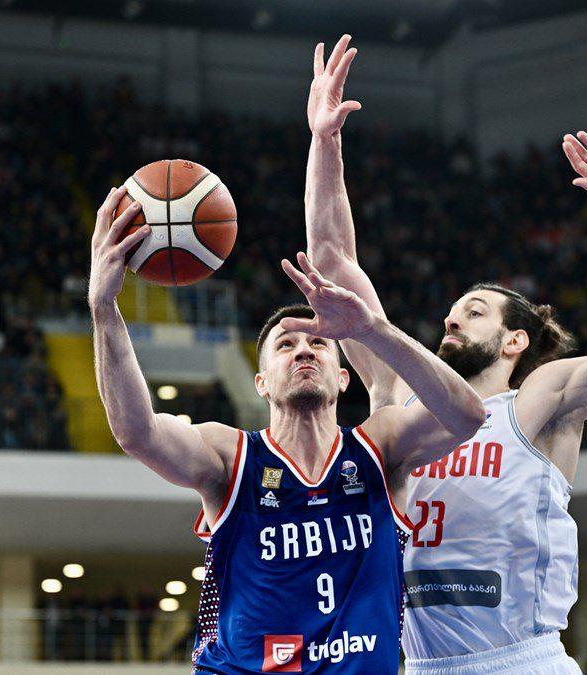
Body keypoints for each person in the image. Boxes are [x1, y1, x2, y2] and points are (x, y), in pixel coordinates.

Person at [304, 35, 587, 674]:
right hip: (421, 666)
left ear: (514, 339)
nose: (451, 318)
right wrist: (324, 143)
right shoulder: (397, 394)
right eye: (452, 311)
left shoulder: (543, 400)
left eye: (474, 312)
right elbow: (333, 261)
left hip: (521, 660)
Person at [88, 187, 485, 673]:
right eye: (285, 345)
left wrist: (372, 330)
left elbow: (467, 415)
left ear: (343, 377)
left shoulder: (379, 448)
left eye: (318, 343)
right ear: (261, 383)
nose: (303, 350)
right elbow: (137, 432)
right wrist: (103, 307)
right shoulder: (231, 457)